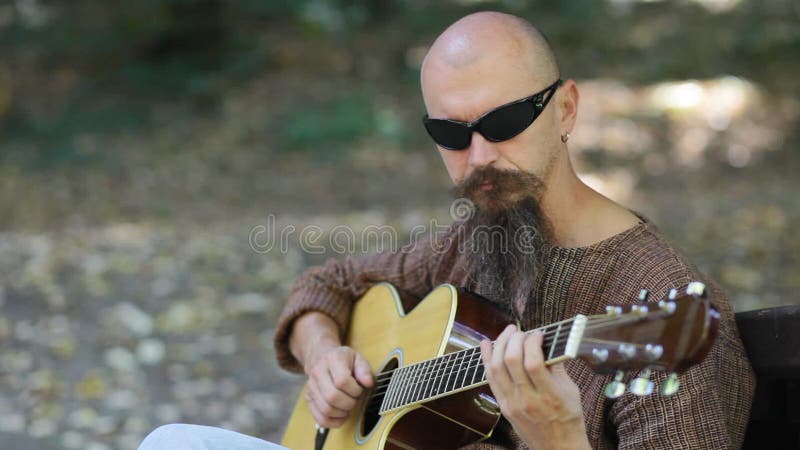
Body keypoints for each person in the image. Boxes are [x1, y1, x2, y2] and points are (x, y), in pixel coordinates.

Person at [140, 11, 755, 450]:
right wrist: (324, 356)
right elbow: (326, 282)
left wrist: (560, 440)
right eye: (451, 135)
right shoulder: (475, 244)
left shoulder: (660, 307)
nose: (479, 156)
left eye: (505, 120)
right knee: (172, 441)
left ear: (565, 108)